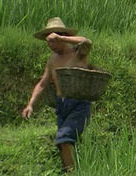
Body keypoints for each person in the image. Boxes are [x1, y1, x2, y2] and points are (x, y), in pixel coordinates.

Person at [21, 17, 92, 173]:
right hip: (62, 105)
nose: (51, 46)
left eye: (53, 41)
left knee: (64, 138)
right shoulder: (53, 60)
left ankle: (71, 173)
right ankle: (71, 170)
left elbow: (87, 41)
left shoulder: (78, 53)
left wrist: (61, 37)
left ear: (62, 38)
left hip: (79, 104)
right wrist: (30, 105)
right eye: (49, 42)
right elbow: (42, 84)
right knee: (63, 143)